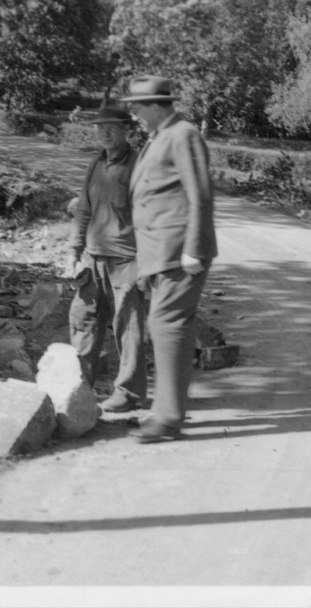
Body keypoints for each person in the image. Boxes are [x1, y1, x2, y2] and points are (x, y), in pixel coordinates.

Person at [121, 75, 218, 443]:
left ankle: (168, 418)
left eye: (137, 107)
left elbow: (200, 194)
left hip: (179, 252)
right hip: (160, 252)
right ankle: (163, 411)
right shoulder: (159, 136)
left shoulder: (183, 134)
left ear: (156, 105)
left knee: (167, 325)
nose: (133, 113)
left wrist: (194, 247)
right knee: (163, 327)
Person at [65, 102, 148, 413]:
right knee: (82, 319)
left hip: (127, 261)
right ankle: (78, 389)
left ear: (127, 130)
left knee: (128, 328)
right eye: (100, 128)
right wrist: (73, 253)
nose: (105, 133)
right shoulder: (96, 164)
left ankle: (129, 394)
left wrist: (145, 265)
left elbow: (149, 219)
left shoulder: (138, 166)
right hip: (94, 259)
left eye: (112, 127)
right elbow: (83, 211)